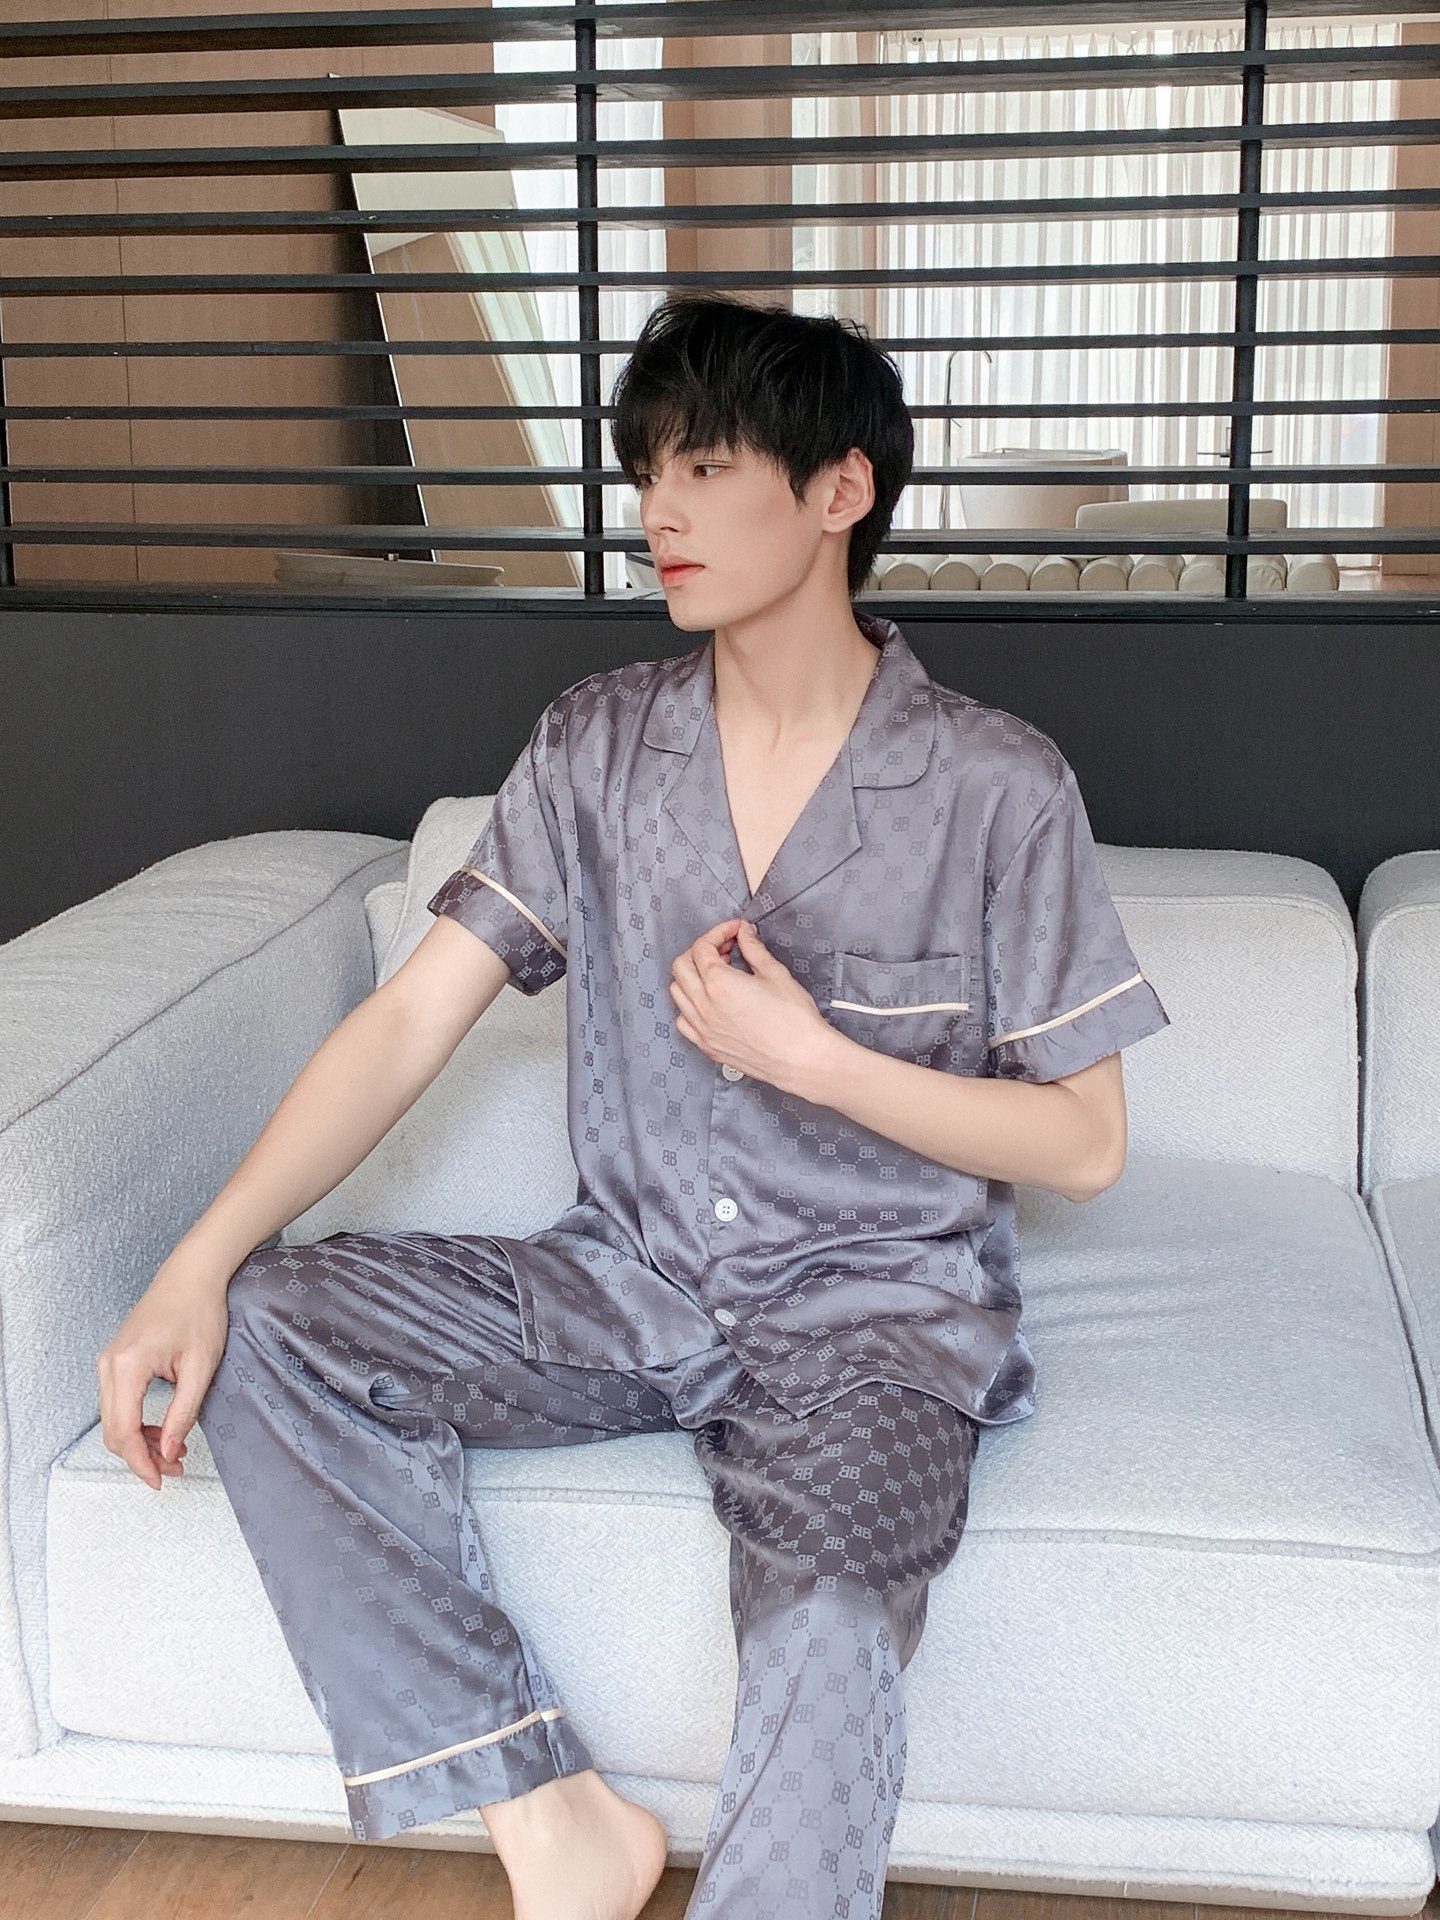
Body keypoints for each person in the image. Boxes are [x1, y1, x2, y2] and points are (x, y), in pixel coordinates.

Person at [96, 294, 1171, 1920]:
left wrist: (818, 1059)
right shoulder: (595, 747)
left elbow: (1085, 1140)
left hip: (876, 1322)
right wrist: (196, 1259)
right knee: (265, 1319)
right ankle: (552, 1818)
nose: (660, 508)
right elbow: (411, 1020)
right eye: (647, 469)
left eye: (707, 465)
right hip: (630, 1284)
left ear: (841, 489)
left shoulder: (995, 785)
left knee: (828, 1628)